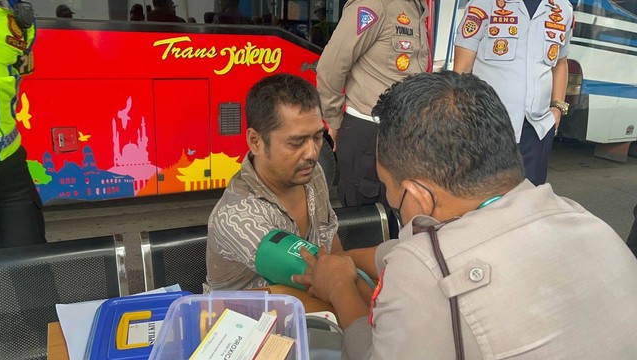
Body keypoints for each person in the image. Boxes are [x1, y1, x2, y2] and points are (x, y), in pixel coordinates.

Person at [293, 71, 637, 359]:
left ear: (418, 196)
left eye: (390, 189)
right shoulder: (587, 222)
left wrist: (340, 290)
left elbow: (420, 268)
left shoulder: (424, 271)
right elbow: (417, 253)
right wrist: (344, 261)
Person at [204, 74, 342, 292]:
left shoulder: (312, 174)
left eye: (317, 137)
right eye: (296, 142)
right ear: (255, 141)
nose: (312, 153)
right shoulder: (237, 215)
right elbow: (317, 282)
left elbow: (331, 246)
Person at [317, 0, 430, 211]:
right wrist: (333, 120)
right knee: (369, 224)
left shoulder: (416, 7)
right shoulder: (375, 4)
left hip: (405, 136)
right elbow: (331, 66)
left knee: (398, 221)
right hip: (369, 134)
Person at [453, 0, 573, 186]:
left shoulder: (562, 8)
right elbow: (462, 69)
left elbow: (561, 63)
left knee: (530, 198)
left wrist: (557, 107)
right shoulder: (485, 3)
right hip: (487, 125)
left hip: (537, 129)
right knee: (483, 196)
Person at [0, 0, 46, 246]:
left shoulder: (15, 18)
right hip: (10, 170)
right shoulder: (16, 19)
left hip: (10, 171)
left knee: (32, 271)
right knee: (32, 271)